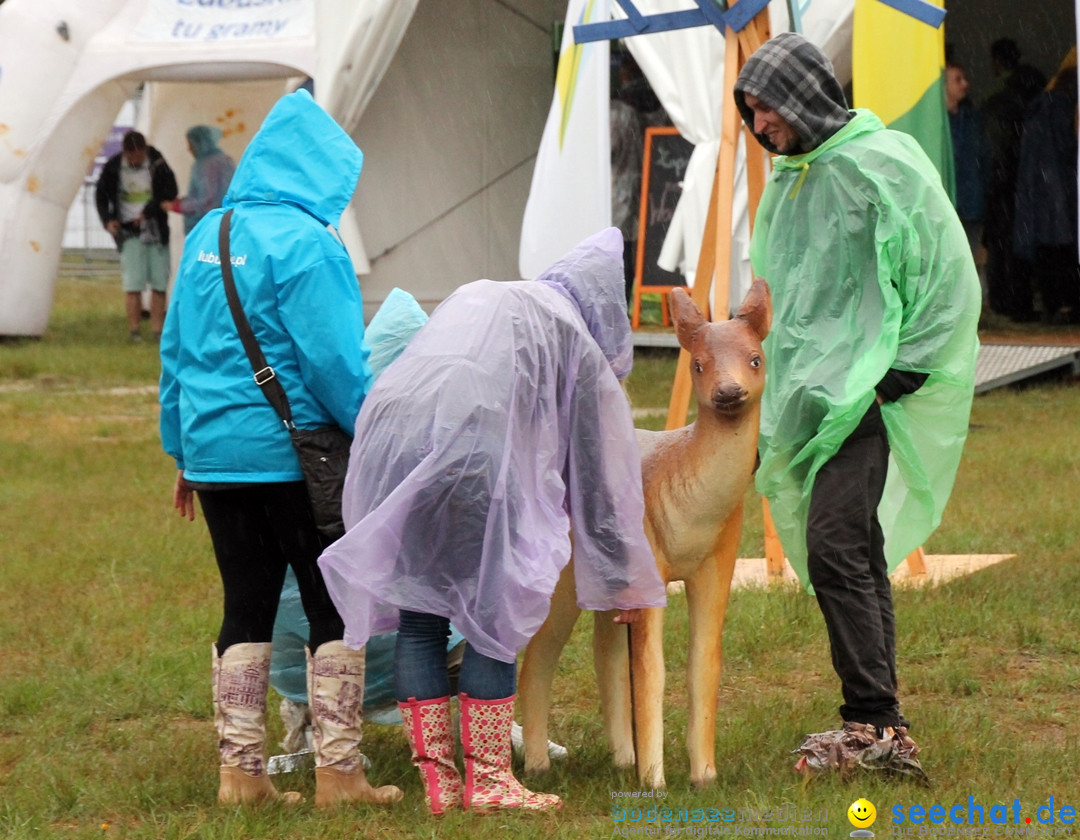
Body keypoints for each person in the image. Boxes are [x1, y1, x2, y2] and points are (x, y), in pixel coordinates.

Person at [317, 227, 668, 815]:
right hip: (477, 457)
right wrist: (625, 577)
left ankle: (439, 783)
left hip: (400, 443)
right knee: (492, 614)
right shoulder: (572, 333)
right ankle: (489, 781)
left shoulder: (486, 295)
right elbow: (602, 471)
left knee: (421, 616)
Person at [733, 33, 980, 761]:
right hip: (816, 394)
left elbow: (947, 274)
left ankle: (871, 720)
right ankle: (883, 725)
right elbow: (792, 286)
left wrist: (897, 374)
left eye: (766, 109)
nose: (759, 126)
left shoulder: (881, 165)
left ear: (803, 96)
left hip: (863, 392)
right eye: (748, 112)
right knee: (855, 550)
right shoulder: (792, 175)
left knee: (836, 545)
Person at [158, 89, 401, 809]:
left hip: (214, 456)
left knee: (245, 606)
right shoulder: (309, 242)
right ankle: (339, 776)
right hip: (295, 457)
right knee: (332, 606)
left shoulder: (208, 234)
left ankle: (241, 777)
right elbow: (333, 366)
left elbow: (175, 354)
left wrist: (182, 453)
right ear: (320, 173)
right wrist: (372, 431)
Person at [980, 38, 1047, 321]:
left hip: (1004, 181)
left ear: (997, 62)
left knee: (1001, 243)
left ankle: (1008, 301)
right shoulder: (1039, 88)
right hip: (1035, 177)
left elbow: (994, 146)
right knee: (1027, 241)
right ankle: (1027, 299)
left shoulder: (996, 100)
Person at [1013, 47, 1080, 325]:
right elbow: (1067, 148)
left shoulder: (1042, 105)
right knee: (1065, 253)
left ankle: (1056, 305)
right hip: (1062, 194)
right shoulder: (1064, 106)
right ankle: (1067, 305)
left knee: (1049, 253)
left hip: (1041, 196)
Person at [94, 130, 178, 342]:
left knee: (159, 283)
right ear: (125, 153)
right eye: (131, 157)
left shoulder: (157, 162)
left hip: (156, 231)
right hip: (129, 232)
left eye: (138, 156)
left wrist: (150, 210)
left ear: (144, 150)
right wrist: (107, 219)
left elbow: (171, 189)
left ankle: (158, 331)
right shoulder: (114, 166)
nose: (135, 160)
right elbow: (100, 194)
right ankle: (134, 331)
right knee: (133, 284)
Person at [945, 57, 991, 313]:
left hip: (970, 200)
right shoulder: (936, 124)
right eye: (958, 79)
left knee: (973, 253)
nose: (966, 84)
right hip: (948, 201)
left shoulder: (971, 119)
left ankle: (976, 304)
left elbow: (984, 159)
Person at [162, 124, 236, 235]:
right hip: (227, 225)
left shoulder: (206, 165)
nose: (189, 149)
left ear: (200, 143)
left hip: (206, 229)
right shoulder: (226, 160)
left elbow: (208, 201)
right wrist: (186, 200)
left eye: (191, 144)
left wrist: (177, 206)